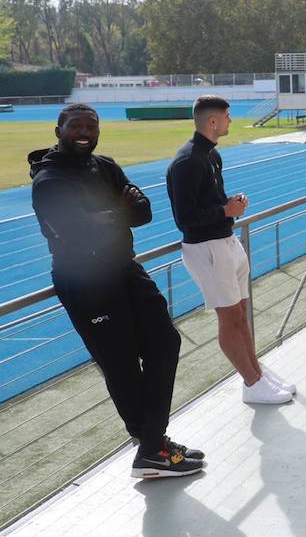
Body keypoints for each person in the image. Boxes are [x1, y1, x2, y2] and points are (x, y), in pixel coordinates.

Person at [30, 104, 204, 478]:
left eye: (91, 125)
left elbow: (143, 211)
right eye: (75, 125)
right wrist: (114, 210)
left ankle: (152, 443)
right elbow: (77, 230)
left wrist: (105, 215)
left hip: (125, 267)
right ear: (57, 130)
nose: (84, 131)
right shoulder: (49, 180)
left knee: (165, 342)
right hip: (86, 281)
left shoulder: (104, 165)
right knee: (122, 363)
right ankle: (151, 449)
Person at [167, 96, 294, 405]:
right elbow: (185, 219)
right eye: (227, 116)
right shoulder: (186, 162)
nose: (230, 121)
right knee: (229, 318)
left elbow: (213, 202)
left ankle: (257, 373)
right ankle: (251, 383)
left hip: (225, 241)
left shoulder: (211, 156)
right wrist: (225, 211)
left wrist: (230, 207)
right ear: (213, 121)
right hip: (206, 248)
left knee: (241, 314)